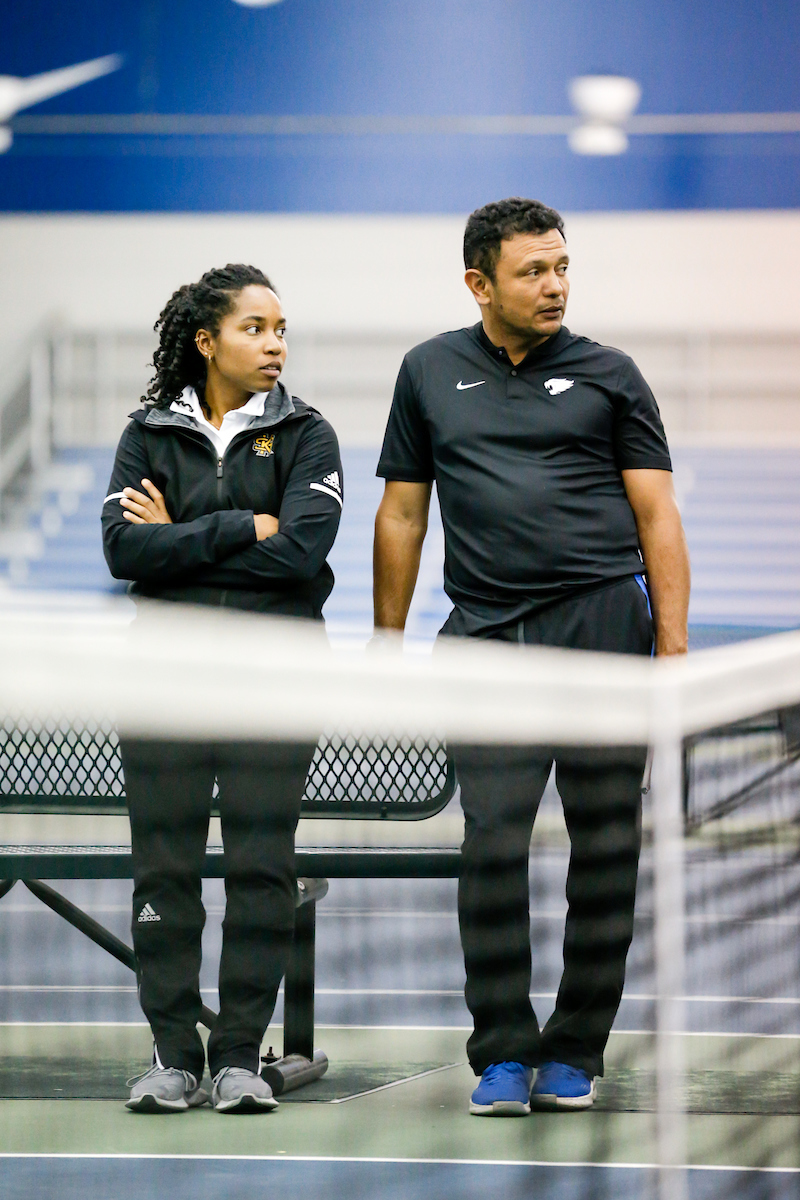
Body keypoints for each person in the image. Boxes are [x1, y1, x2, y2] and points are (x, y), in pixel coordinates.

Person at [373, 198, 690, 1116]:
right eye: (532, 271)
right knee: (492, 845)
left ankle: (576, 1048)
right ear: (480, 283)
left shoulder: (612, 374)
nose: (554, 286)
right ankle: (503, 1051)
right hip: (487, 639)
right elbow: (403, 512)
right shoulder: (427, 371)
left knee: (606, 846)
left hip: (603, 632)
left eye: (562, 268)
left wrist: (672, 652)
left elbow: (657, 514)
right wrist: (387, 643)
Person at [102, 263, 343, 1114]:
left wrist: (182, 542)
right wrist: (245, 525)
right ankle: (173, 1055)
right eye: (255, 328)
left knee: (259, 871)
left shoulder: (308, 434)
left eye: (281, 329)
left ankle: (239, 1057)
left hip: (275, 685)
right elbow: (124, 551)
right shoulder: (147, 435)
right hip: (162, 687)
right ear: (207, 342)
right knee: (164, 874)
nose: (276, 344)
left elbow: (302, 554)